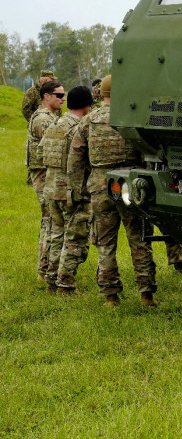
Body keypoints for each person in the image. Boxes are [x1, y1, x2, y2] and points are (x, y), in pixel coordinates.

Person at [68, 75, 159, 307]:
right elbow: (150, 153)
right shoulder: (132, 118)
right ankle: (146, 294)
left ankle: (110, 296)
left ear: (102, 94)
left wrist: (79, 189)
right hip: (131, 184)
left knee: (105, 243)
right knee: (139, 238)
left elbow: (75, 157)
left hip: (100, 184)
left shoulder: (89, 120)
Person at [39, 85, 93, 294]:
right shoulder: (79, 129)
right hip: (72, 192)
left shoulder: (55, 125)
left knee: (56, 235)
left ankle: (51, 281)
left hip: (51, 190)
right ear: (87, 105)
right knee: (75, 238)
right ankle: (66, 284)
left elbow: (42, 153)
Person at [26, 80, 63, 282]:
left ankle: (47, 267)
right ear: (46, 96)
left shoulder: (51, 117)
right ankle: (45, 269)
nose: (63, 98)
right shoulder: (43, 119)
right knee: (50, 221)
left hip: (47, 174)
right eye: (59, 95)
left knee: (50, 221)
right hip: (44, 176)